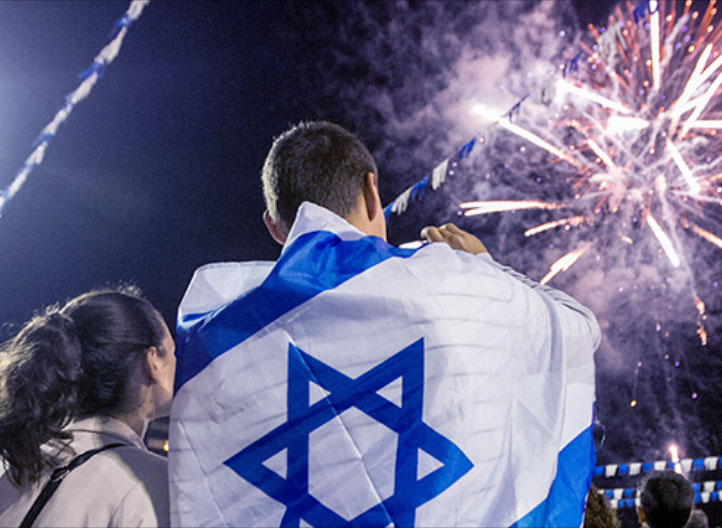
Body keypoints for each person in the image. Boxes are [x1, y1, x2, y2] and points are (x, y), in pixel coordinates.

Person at [169, 121, 601, 526]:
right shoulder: (452, 287)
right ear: (371, 191)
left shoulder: (216, 341)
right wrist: (486, 267)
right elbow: (578, 329)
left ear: (275, 227)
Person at [0, 287, 175, 527]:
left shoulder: (16, 472)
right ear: (152, 360)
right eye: (173, 351)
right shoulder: (151, 482)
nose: (178, 362)